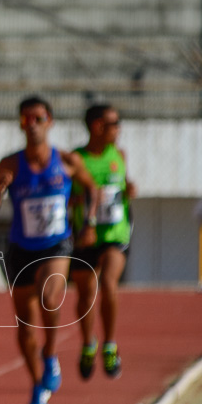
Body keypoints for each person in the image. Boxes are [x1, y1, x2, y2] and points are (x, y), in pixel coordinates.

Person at [0, 96, 96, 404]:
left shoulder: (66, 160)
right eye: (25, 120)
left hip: (57, 243)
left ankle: (51, 354)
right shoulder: (9, 164)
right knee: (25, 328)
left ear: (50, 121)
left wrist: (86, 223)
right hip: (21, 248)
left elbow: (90, 188)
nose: (32, 126)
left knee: (50, 296)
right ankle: (37, 383)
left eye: (38, 118)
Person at [69, 104, 135, 380]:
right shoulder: (76, 159)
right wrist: (84, 209)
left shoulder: (119, 155)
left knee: (108, 283)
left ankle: (109, 345)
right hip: (85, 235)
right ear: (97, 126)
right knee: (85, 295)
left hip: (115, 234)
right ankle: (88, 344)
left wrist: (128, 190)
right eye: (114, 123)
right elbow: (69, 197)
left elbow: (121, 186)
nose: (119, 129)